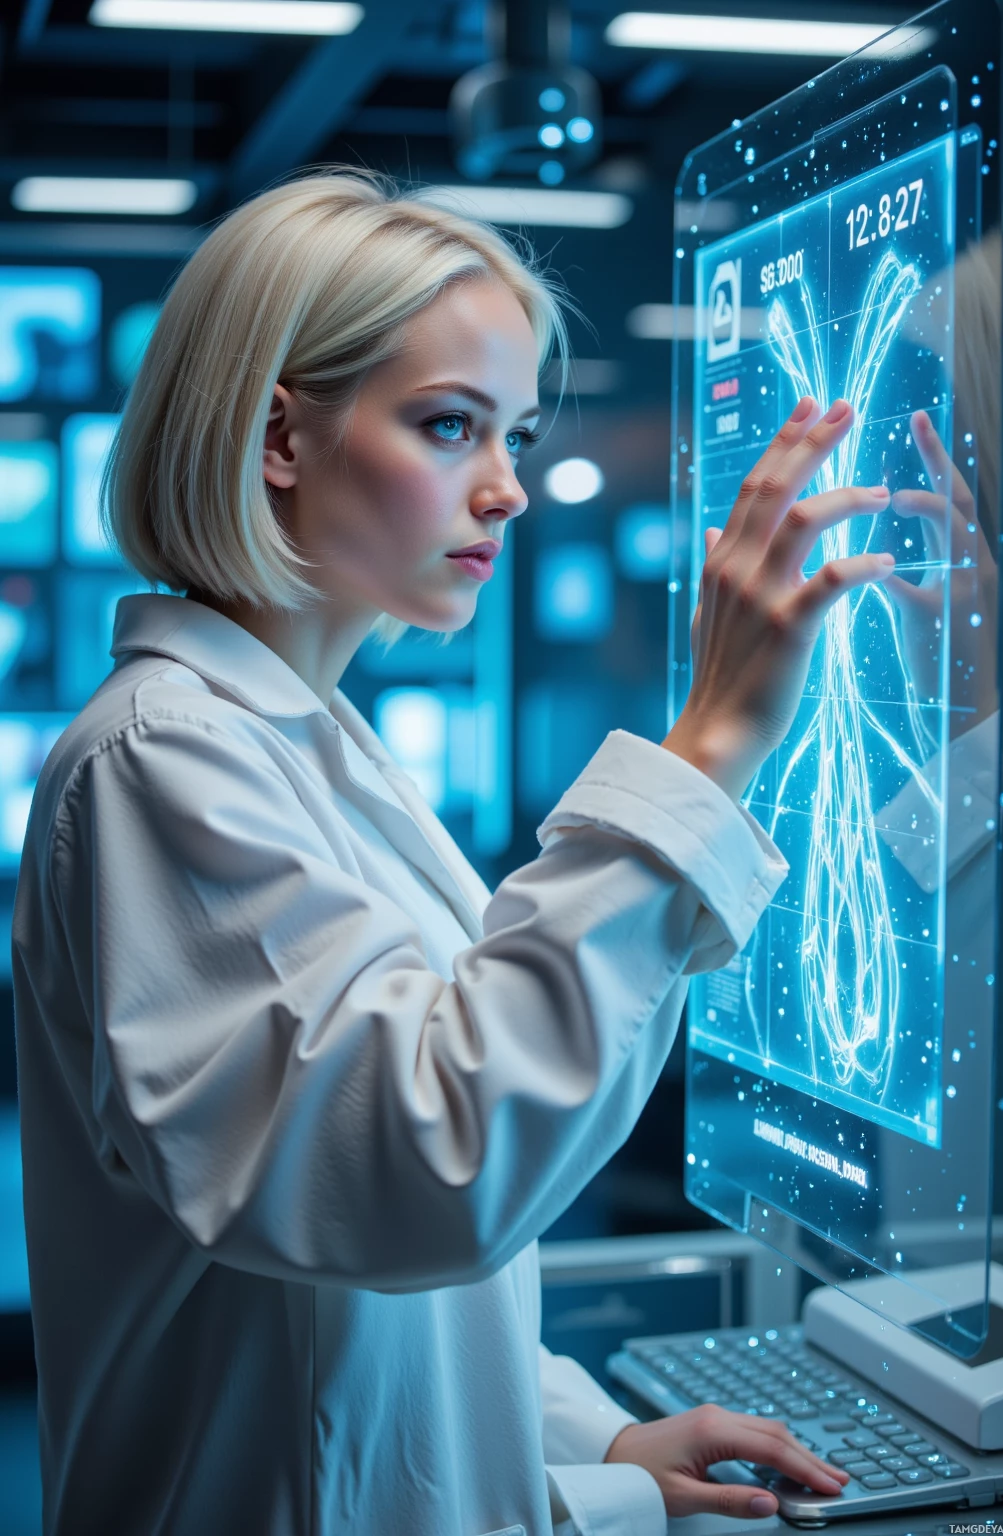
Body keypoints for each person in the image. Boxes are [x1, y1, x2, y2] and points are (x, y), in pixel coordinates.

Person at [12, 171, 896, 1536]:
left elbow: (365, 1316)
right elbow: (425, 1172)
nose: (507, 489)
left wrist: (600, 1443)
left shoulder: (308, 749)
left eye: (519, 435)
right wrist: (710, 741)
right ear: (277, 439)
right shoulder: (159, 764)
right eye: (448, 426)